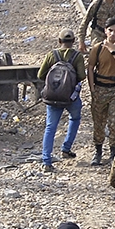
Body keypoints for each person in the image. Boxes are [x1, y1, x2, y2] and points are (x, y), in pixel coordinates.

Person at [86, 18, 115, 166]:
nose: (113, 33)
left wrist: (113, 51)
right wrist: (92, 88)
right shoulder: (97, 48)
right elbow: (91, 67)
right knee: (98, 123)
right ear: (105, 31)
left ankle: (114, 154)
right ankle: (98, 151)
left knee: (114, 123)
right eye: (110, 30)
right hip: (100, 89)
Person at [38, 29, 85, 172]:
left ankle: (46, 161)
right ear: (74, 41)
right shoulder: (77, 56)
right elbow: (82, 76)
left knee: (50, 127)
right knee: (75, 118)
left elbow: (41, 75)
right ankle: (66, 148)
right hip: (70, 97)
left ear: (59, 41)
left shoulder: (52, 55)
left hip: (52, 97)